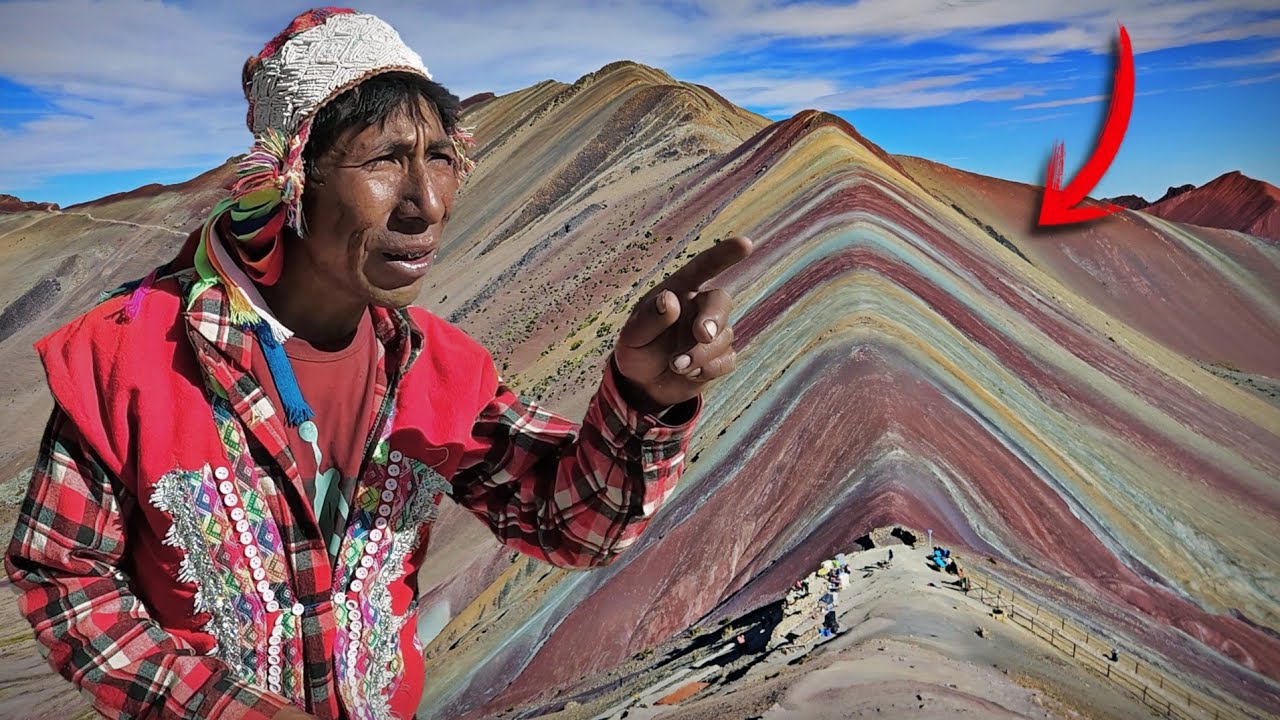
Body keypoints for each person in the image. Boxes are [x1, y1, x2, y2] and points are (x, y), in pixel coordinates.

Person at [4, 8, 751, 720]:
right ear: (293, 179)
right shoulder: (129, 355)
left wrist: (642, 401)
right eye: (387, 160)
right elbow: (65, 575)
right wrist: (217, 707)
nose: (426, 202)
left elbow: (570, 527)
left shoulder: (434, 367)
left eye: (442, 159)